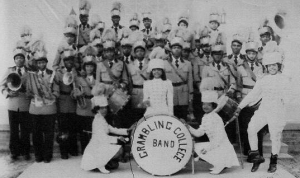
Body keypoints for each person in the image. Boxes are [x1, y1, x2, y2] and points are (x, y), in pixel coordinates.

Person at [232, 51, 290, 173]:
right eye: (269, 65)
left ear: (279, 66)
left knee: (275, 136)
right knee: (251, 129)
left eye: (274, 65)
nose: (272, 67)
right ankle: (257, 157)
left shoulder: (284, 79)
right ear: (266, 67)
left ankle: (273, 161)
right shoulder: (263, 79)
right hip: (263, 110)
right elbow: (253, 94)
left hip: (277, 111)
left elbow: (288, 98)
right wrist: (240, 107)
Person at [188, 90, 239, 174]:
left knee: (203, 149)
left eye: (208, 105)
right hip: (214, 144)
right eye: (204, 104)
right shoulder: (205, 117)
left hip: (221, 146)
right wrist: (188, 126)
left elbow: (219, 138)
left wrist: (208, 148)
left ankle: (221, 164)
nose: (205, 106)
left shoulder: (216, 118)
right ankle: (218, 163)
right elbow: (199, 133)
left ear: (213, 106)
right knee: (194, 146)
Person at [201, 34, 237, 143]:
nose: (217, 56)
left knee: (225, 120)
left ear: (222, 55)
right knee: (211, 120)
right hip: (211, 96)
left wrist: (231, 91)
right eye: (215, 54)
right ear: (212, 55)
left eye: (219, 54)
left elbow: (233, 82)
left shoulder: (228, 67)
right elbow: (203, 84)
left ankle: (225, 143)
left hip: (223, 95)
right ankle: (210, 143)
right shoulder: (207, 67)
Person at [81, 94, 130, 174]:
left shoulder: (101, 118)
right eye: (102, 108)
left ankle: (104, 163)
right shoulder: (98, 120)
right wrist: (118, 138)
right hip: (97, 146)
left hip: (101, 144)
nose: (105, 110)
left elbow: (112, 129)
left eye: (105, 107)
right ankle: (100, 164)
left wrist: (127, 131)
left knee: (115, 163)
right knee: (119, 150)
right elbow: (103, 138)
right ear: (97, 109)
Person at [235, 35, 266, 161]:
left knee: (258, 127)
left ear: (256, 54)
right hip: (245, 99)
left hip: (257, 100)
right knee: (246, 126)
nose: (252, 55)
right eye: (249, 53)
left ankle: (258, 152)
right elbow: (238, 85)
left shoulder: (262, 67)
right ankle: (248, 151)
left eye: (254, 53)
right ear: (246, 53)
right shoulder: (240, 67)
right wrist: (238, 99)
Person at [28, 42, 59, 163]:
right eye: (39, 62)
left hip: (49, 108)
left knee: (49, 134)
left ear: (46, 62)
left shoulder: (52, 74)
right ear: (36, 63)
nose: (41, 64)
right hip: (35, 108)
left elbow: (57, 90)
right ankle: (38, 155)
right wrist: (32, 95)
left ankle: (48, 155)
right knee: (36, 134)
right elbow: (28, 90)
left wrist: (52, 96)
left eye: (43, 62)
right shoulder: (31, 75)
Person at [0, 48, 31, 161]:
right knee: (13, 130)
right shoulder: (9, 70)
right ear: (14, 60)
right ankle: (14, 152)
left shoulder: (29, 71)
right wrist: (8, 92)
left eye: (21, 58)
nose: (19, 60)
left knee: (25, 130)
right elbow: (2, 85)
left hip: (25, 104)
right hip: (12, 104)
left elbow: (32, 87)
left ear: (24, 59)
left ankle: (25, 151)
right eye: (17, 58)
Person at [96, 29, 128, 127]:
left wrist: (120, 87)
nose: (109, 54)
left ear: (115, 51)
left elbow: (125, 80)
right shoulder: (100, 64)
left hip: (116, 95)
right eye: (107, 51)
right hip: (104, 95)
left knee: (117, 120)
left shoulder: (121, 64)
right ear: (104, 52)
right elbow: (97, 82)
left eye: (111, 51)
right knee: (105, 120)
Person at [55, 47, 78, 159]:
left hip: (73, 102)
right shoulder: (59, 73)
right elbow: (56, 87)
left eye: (71, 60)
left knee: (73, 127)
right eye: (67, 60)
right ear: (64, 62)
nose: (69, 62)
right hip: (63, 102)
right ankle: (63, 151)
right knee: (63, 128)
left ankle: (73, 149)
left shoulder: (76, 72)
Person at [164, 36, 193, 120]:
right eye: (174, 48)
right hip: (170, 94)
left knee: (183, 119)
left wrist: (190, 99)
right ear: (171, 50)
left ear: (182, 50)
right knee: (171, 119)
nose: (176, 49)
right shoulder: (165, 63)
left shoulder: (188, 64)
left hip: (184, 95)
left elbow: (190, 82)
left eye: (178, 48)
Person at [75, 46, 97, 154]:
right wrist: (78, 94)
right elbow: (73, 93)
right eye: (87, 66)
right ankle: (84, 150)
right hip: (82, 107)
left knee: (92, 130)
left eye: (91, 66)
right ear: (84, 67)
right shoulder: (79, 79)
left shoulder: (97, 79)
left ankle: (92, 150)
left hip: (92, 106)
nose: (89, 68)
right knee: (83, 132)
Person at [126, 41, 149, 125]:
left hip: (147, 92)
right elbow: (129, 81)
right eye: (137, 51)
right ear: (134, 53)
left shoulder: (149, 64)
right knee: (136, 116)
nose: (140, 53)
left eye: (141, 51)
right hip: (135, 93)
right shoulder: (129, 65)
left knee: (147, 115)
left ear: (145, 52)